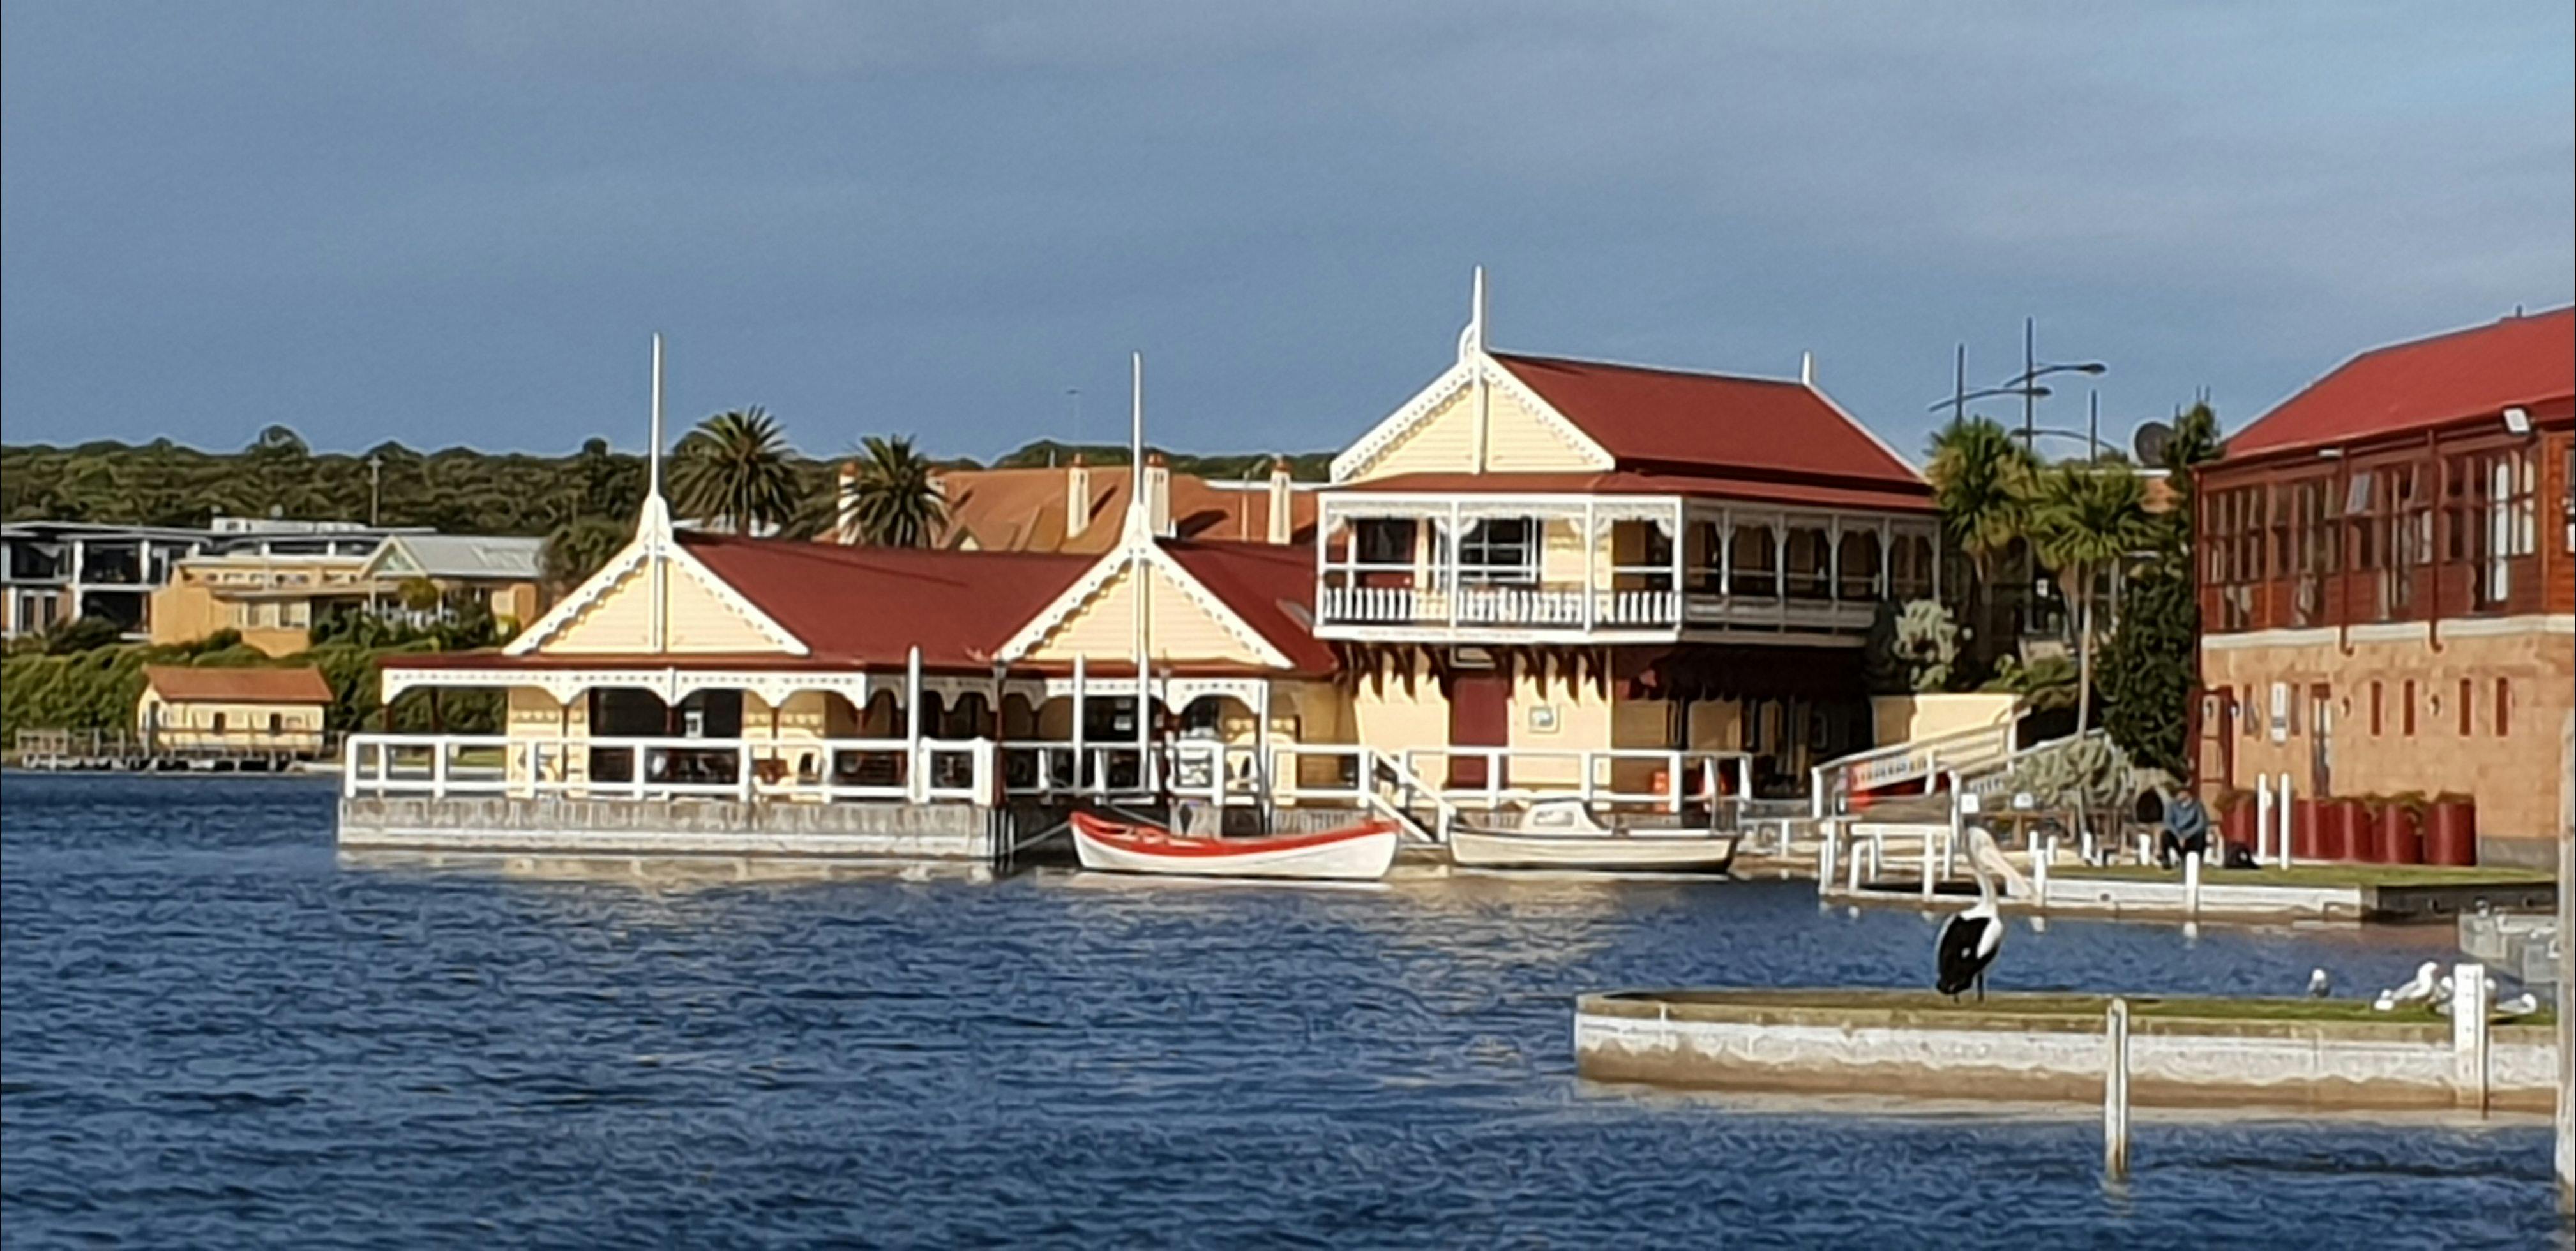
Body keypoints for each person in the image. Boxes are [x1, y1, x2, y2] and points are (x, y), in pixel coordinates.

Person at [2158, 784, 2211, 871]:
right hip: (2177, 833)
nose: (2179, 796)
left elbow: (2201, 823)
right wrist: (2179, 836)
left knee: (2201, 835)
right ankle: (2166, 861)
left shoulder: (2197, 805)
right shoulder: (2171, 805)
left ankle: (2198, 861)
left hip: (2192, 834)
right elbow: (2168, 822)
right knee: (2165, 835)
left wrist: (2186, 835)